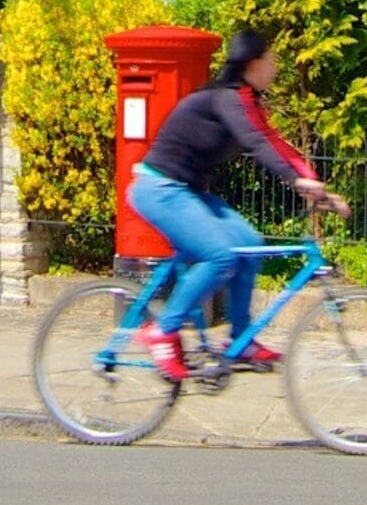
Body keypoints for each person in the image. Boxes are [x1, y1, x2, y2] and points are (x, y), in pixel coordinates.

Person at [128, 30, 343, 382]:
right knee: (221, 255)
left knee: (250, 244)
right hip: (160, 189)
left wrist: (310, 179)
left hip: (188, 192)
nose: (275, 66)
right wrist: (298, 181)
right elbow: (257, 143)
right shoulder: (229, 98)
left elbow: (272, 140)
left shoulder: (247, 100)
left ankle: (240, 338)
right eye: (270, 59)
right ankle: (162, 330)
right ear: (253, 64)